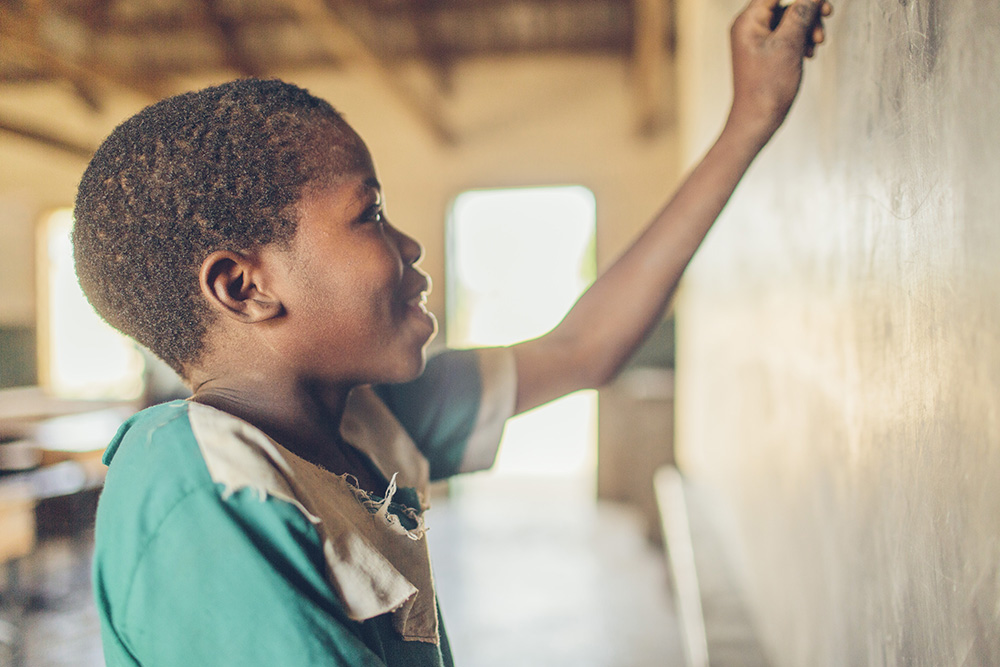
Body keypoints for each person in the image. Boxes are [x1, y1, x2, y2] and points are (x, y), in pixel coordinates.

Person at [73, 0, 831, 664]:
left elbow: (581, 350)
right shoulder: (198, 485)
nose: (408, 246)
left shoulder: (362, 419)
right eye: (368, 213)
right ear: (246, 286)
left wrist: (748, 120)